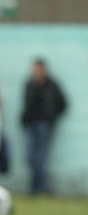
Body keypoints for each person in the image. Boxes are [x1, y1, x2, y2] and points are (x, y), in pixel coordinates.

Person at [20, 58, 67, 195]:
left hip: (44, 125)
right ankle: (42, 187)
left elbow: (63, 104)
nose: (35, 72)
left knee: (40, 158)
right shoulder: (29, 84)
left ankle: (36, 189)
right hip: (30, 125)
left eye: (38, 69)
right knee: (30, 157)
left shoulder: (52, 85)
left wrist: (51, 118)